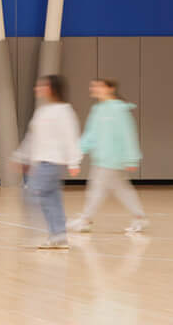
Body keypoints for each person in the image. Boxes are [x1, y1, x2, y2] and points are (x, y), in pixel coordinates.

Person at [71, 78, 147, 234]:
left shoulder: (119, 109)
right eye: (93, 86)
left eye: (99, 86)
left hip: (113, 160)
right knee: (122, 190)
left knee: (97, 190)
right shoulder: (97, 109)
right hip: (101, 159)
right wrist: (78, 150)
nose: (94, 89)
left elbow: (128, 134)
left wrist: (131, 158)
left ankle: (86, 220)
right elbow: (90, 134)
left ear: (110, 89)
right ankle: (139, 217)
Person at [13, 75, 81, 249]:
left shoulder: (64, 111)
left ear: (51, 89)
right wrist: (22, 157)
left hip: (52, 162)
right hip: (40, 162)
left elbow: (71, 137)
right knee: (52, 198)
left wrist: (74, 162)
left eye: (41, 86)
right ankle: (59, 235)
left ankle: (43, 231)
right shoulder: (42, 111)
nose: (37, 88)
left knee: (34, 194)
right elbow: (32, 137)